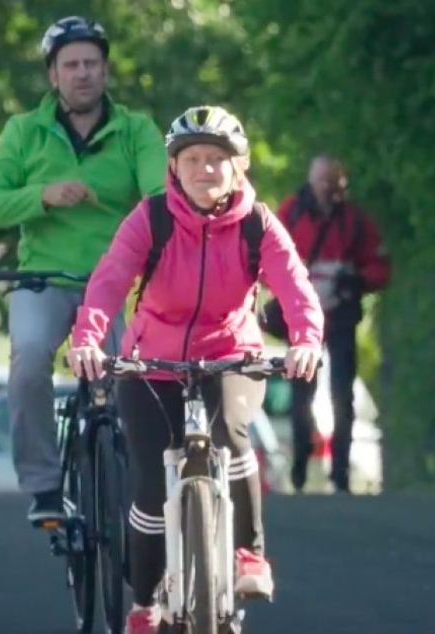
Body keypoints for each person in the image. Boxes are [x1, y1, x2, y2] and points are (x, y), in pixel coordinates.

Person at [66, 105, 324, 633]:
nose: (205, 169)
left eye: (216, 160)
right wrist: (88, 338)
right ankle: (144, 602)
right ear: (174, 167)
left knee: (230, 433)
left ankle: (248, 556)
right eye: (193, 159)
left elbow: (296, 288)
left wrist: (306, 341)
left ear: (238, 168)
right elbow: (110, 279)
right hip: (151, 361)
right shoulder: (152, 217)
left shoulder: (258, 224)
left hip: (230, 354)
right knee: (148, 489)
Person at [0, 15, 167, 525]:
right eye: (71, 65)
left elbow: (160, 199)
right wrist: (43, 197)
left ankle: (145, 480)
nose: (83, 73)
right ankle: (44, 485)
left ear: (106, 71)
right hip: (45, 279)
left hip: (119, 283)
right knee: (29, 360)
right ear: (53, 76)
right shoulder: (23, 132)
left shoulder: (136, 130)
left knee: (140, 370)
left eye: (92, 64)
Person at [274, 155, 391, 493]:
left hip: (341, 318)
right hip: (300, 321)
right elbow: (269, 256)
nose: (329, 188)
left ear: (343, 184)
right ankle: (299, 468)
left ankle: (339, 474)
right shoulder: (291, 213)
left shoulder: (355, 221)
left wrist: (355, 279)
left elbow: (379, 265)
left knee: (343, 395)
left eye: (335, 181)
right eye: (323, 180)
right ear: (312, 180)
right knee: (301, 395)